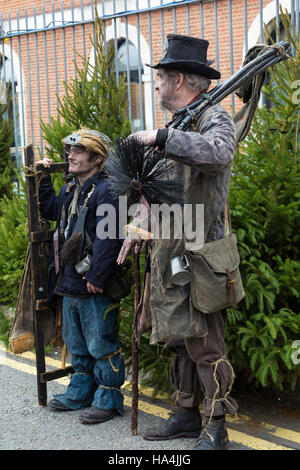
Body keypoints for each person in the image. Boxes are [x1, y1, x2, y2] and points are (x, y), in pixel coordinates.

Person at [117, 34, 238, 450]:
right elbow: (157, 190)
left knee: (205, 342)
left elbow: (219, 154)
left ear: (180, 79)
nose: (155, 85)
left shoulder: (212, 119)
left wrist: (164, 140)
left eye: (161, 77)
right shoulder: (174, 126)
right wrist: (136, 227)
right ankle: (186, 413)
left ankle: (216, 425)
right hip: (168, 252)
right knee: (178, 338)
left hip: (201, 254)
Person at [36, 128, 125, 424]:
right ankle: (81, 390)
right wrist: (44, 179)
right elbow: (51, 210)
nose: (70, 156)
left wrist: (98, 277)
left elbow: (109, 238)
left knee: (102, 344)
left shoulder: (108, 190)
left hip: (92, 283)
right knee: (76, 344)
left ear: (97, 158)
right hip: (70, 282)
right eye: (69, 151)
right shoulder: (72, 188)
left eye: (78, 151)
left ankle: (109, 398)